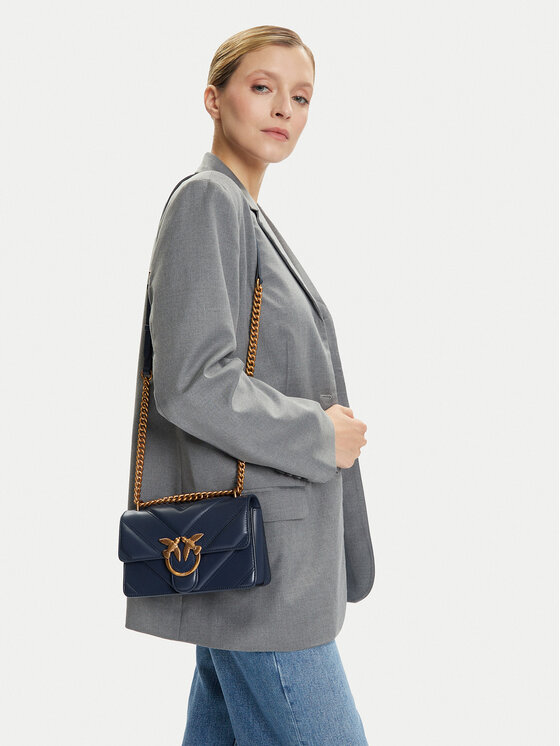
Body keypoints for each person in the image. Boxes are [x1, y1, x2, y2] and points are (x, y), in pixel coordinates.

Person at [124, 24, 375, 745]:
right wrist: (319, 433)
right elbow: (192, 382)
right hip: (264, 570)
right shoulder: (209, 201)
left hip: (255, 562)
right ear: (214, 99)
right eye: (263, 87)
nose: (284, 109)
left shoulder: (247, 215)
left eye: (301, 97)